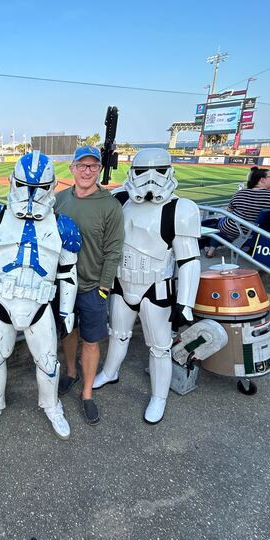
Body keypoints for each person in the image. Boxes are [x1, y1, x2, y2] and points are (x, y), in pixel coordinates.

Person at [0, 150, 81, 442]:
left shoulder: (62, 225)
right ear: (12, 182)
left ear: (51, 187)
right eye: (25, 186)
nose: (31, 196)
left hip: (40, 305)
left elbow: (68, 273)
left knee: (48, 362)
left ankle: (52, 406)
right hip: (0, 303)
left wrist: (66, 312)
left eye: (39, 189)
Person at [94, 149, 201, 423]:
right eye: (142, 172)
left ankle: (159, 396)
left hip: (156, 289)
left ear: (169, 171)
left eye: (158, 171)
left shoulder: (180, 209)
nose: (150, 179)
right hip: (121, 283)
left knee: (159, 347)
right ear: (132, 172)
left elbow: (189, 260)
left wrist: (186, 303)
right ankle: (110, 371)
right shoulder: (119, 199)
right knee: (117, 333)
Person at [55, 145, 125, 425]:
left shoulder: (110, 206)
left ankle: (87, 394)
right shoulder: (59, 200)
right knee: (68, 333)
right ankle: (71, 372)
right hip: (63, 286)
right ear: (72, 168)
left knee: (92, 342)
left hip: (94, 286)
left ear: (98, 170)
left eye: (92, 166)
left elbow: (114, 251)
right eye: (81, 166)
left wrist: (104, 287)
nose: (87, 171)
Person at [203, 166, 270, 257]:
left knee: (219, 223)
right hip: (255, 232)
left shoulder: (241, 193)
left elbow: (229, 210)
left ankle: (210, 250)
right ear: (262, 180)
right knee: (222, 224)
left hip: (233, 228)